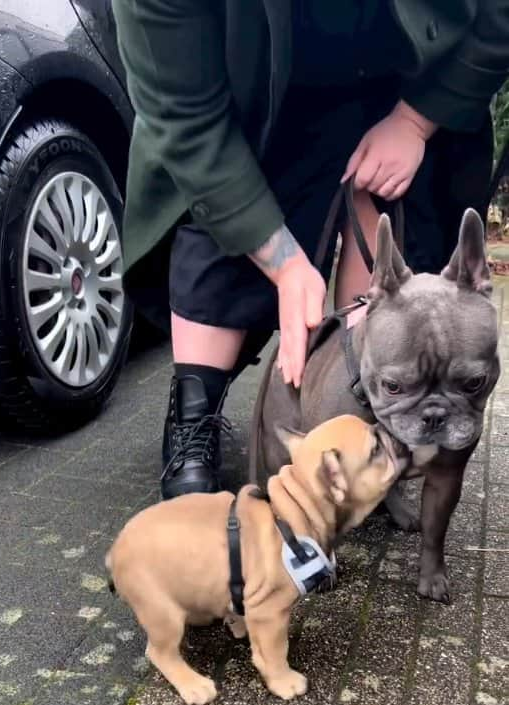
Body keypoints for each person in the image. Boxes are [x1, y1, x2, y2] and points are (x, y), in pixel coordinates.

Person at [112, 0, 508, 500]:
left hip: (409, 72)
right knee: (219, 234)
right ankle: (195, 415)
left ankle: (370, 417)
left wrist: (415, 121)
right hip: (258, 92)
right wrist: (284, 265)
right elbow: (186, 117)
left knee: (393, 223)